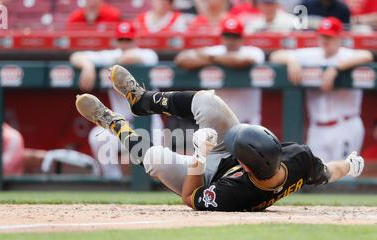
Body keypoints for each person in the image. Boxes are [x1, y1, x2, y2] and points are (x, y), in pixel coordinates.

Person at [75, 65, 364, 211]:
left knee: (155, 159)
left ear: (246, 166)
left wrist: (200, 155)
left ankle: (114, 124)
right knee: (210, 103)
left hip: (208, 177)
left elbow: (190, 197)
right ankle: (143, 100)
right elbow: (326, 171)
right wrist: (349, 166)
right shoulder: (297, 156)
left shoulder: (235, 194)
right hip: (227, 155)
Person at [270, 17, 373, 163]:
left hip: (345, 125)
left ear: (339, 38)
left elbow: (367, 55)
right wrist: (291, 60)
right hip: (317, 128)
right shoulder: (311, 54)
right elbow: (276, 55)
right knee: (317, 178)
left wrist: (336, 68)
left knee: (344, 178)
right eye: (323, 36)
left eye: (329, 37)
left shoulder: (346, 54)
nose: (325, 40)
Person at [70, 21, 162, 179]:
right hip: (120, 122)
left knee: (158, 165)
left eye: (128, 40)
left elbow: (131, 58)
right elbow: (75, 56)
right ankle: (113, 180)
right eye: (121, 40)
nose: (125, 44)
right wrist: (88, 66)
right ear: (116, 41)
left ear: (135, 40)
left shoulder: (147, 54)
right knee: (97, 137)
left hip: (149, 121)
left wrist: (110, 64)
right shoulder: (111, 55)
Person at [175, 16, 265, 125]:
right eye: (227, 36)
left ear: (242, 38)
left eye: (235, 36)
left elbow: (242, 61)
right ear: (222, 37)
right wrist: (214, 58)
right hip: (218, 123)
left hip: (247, 121)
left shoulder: (252, 51)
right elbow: (181, 59)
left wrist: (212, 59)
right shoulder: (215, 51)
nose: (231, 41)